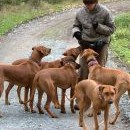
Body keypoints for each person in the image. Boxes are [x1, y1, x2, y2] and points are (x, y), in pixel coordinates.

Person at [72, 0, 116, 110]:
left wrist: (99, 27)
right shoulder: (80, 13)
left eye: (91, 3)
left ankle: (100, 102)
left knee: (99, 75)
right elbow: (75, 26)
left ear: (95, 2)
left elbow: (112, 29)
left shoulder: (105, 12)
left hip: (101, 44)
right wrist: (76, 32)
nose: (88, 6)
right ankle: (80, 101)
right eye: (86, 4)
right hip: (86, 44)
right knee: (82, 72)